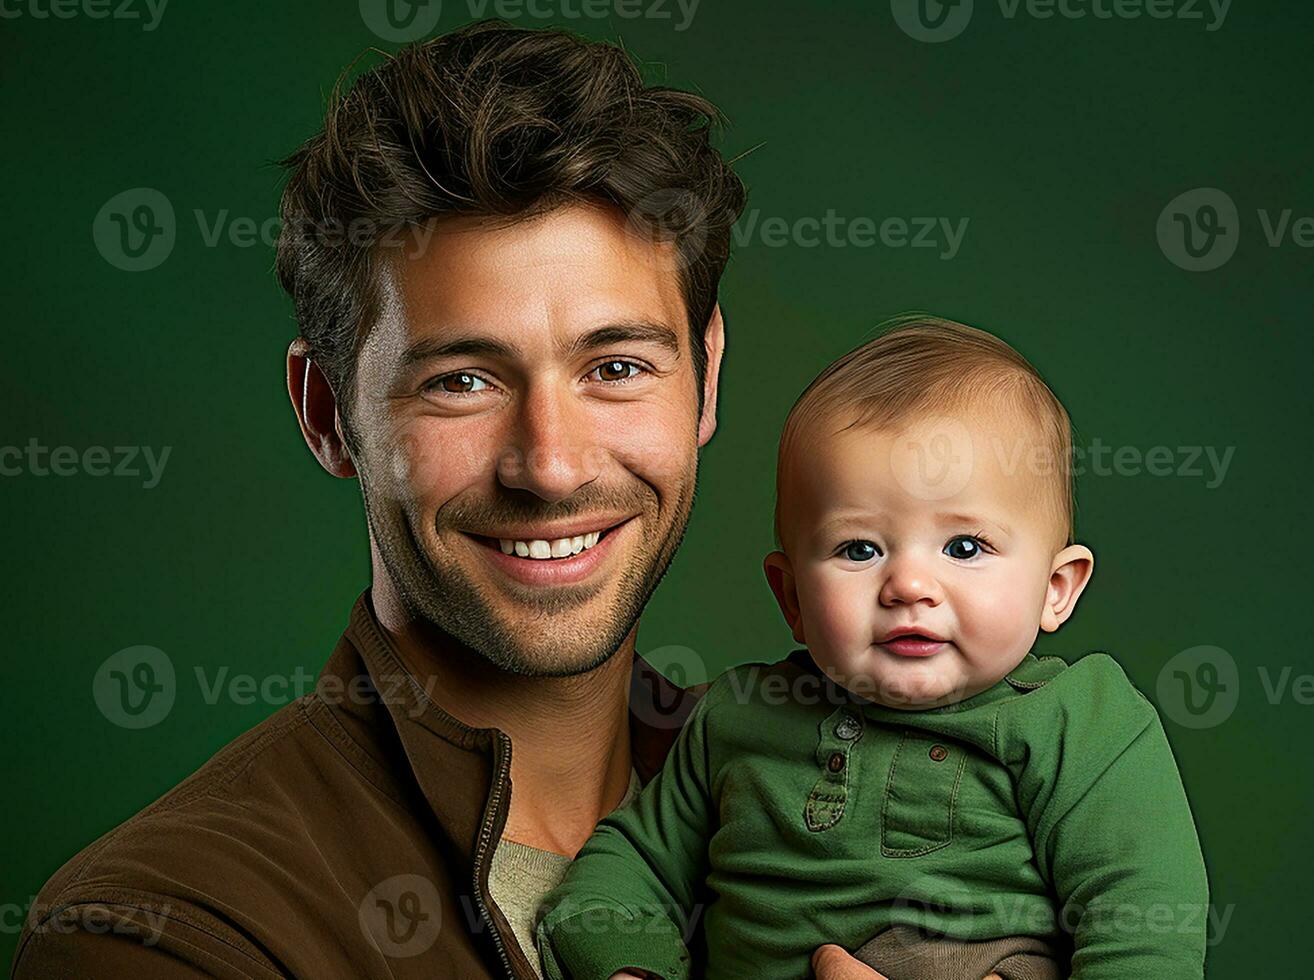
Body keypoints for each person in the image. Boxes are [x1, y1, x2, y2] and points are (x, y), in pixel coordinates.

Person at [13, 19, 756, 979]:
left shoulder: (851, 791)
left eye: (615, 367)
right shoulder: (166, 931)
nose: (552, 467)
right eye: (461, 381)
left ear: (703, 375)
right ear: (327, 413)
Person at [535, 318, 1211, 979]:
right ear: (791, 597)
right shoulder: (738, 714)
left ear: (1055, 589)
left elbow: (1143, 921)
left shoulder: (1080, 719)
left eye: (964, 547)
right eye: (858, 548)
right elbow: (627, 868)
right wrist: (628, 966)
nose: (909, 585)